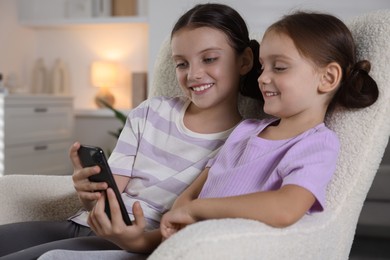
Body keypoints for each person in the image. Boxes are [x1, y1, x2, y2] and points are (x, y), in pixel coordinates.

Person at [0, 3, 261, 259]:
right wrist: (89, 193)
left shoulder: (243, 141)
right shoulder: (150, 111)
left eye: (209, 59)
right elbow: (107, 196)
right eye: (182, 64)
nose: (193, 74)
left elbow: (194, 222)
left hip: (133, 242)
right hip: (88, 225)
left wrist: (134, 240)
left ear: (245, 60)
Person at [160, 11, 379, 239]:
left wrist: (196, 210)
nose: (262, 78)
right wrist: (181, 210)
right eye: (263, 67)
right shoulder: (245, 130)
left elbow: (286, 208)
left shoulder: (317, 143)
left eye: (280, 67)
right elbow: (194, 192)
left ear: (328, 78)